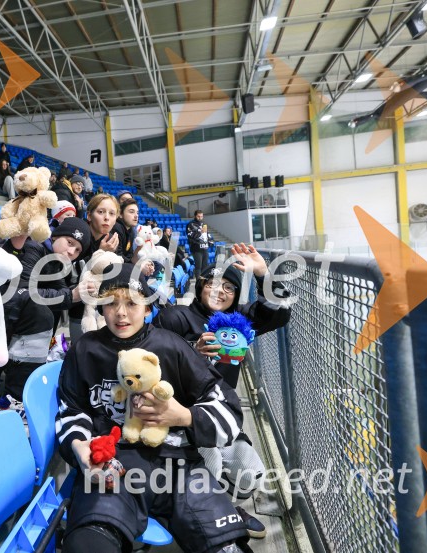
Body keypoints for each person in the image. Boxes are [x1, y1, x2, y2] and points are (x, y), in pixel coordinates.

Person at [56, 264, 250, 553]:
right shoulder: (85, 349)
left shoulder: (172, 346)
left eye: (132, 303)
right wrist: (80, 446)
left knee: (227, 546)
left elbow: (229, 410)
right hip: (116, 462)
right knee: (89, 541)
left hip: (179, 465)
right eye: (111, 303)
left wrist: (183, 415)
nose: (121, 313)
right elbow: (72, 409)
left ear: (148, 309)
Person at [154, 246, 293, 538]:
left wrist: (262, 274)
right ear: (202, 285)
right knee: (210, 463)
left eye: (229, 287)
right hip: (181, 420)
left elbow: (281, 312)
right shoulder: (176, 317)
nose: (221, 291)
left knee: (251, 473)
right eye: (215, 283)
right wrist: (193, 352)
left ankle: (214, 505)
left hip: (220, 417)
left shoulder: (239, 321)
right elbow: (156, 363)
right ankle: (210, 520)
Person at [0, 217, 93, 418]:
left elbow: (61, 293)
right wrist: (70, 295)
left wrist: (76, 293)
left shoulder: (54, 261)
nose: (71, 252)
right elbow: (21, 291)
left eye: (76, 251)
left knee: (47, 311)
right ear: (55, 236)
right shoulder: (33, 247)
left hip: (13, 316)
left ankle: (17, 385)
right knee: (39, 314)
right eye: (70, 243)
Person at [65, 194, 121, 342]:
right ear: (89, 215)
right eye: (101, 212)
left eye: (112, 213)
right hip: (78, 311)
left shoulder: (110, 241)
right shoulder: (78, 237)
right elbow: (73, 274)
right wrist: (99, 255)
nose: (107, 218)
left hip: (101, 308)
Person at [112, 198, 139, 264]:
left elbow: (129, 254)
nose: (136, 216)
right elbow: (118, 255)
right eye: (131, 212)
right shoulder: (116, 228)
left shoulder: (131, 231)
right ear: (120, 214)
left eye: (137, 212)